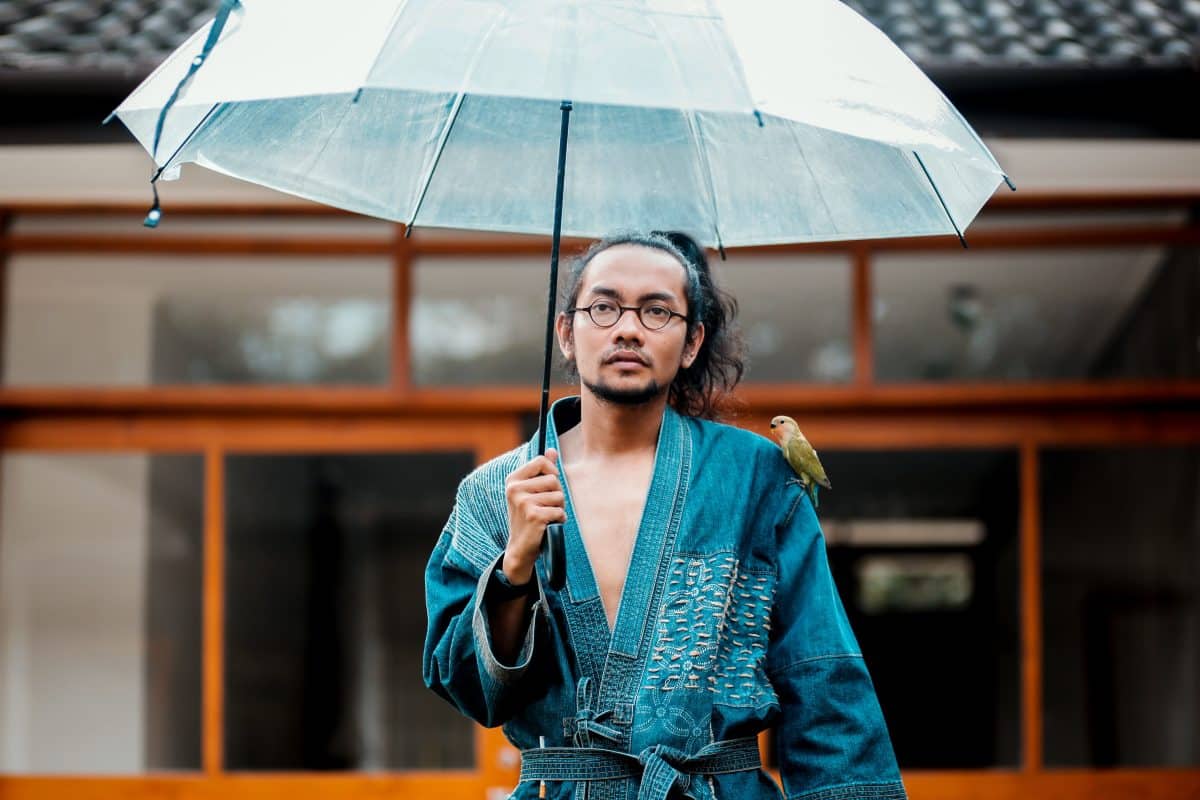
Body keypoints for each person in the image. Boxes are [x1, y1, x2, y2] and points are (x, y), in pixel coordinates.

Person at [423, 232, 905, 800]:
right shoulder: (498, 493)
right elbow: (470, 689)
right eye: (603, 307)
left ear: (692, 340)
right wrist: (514, 570)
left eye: (656, 311)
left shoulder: (757, 479)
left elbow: (823, 684)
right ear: (566, 333)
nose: (627, 328)